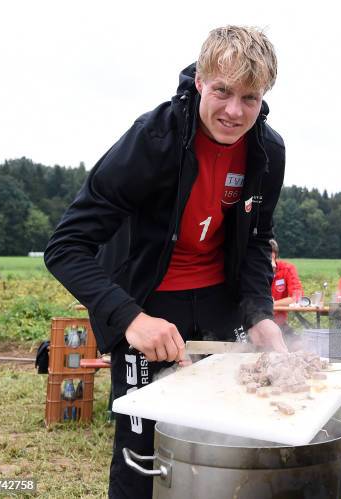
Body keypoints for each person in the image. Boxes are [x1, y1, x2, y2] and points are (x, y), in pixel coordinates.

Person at [44, 26, 287, 499]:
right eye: (222, 91)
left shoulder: (267, 150)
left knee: (228, 440)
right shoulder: (152, 141)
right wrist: (131, 319)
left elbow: (258, 239)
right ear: (199, 80)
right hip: (148, 308)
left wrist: (259, 313)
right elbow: (66, 247)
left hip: (220, 307)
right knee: (143, 456)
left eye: (250, 98)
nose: (234, 112)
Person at [270, 238, 303, 333]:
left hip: (279, 323)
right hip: (255, 324)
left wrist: (271, 304)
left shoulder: (287, 269)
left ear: (274, 255)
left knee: (298, 346)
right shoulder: (254, 272)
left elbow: (297, 297)